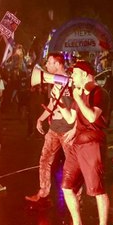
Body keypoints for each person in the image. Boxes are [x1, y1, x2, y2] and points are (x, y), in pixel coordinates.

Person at [58, 60, 110, 225]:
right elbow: (71, 119)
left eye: (75, 73)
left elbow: (92, 117)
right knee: (66, 186)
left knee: (97, 189)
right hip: (77, 145)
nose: (72, 77)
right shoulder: (79, 94)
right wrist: (60, 103)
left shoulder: (99, 93)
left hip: (92, 144)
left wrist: (78, 98)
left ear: (86, 75)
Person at [25, 54, 72, 205]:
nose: (47, 66)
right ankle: (43, 193)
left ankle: (76, 198)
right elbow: (53, 103)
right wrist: (41, 118)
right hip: (54, 128)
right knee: (45, 160)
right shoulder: (54, 82)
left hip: (68, 129)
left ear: (58, 64)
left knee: (72, 164)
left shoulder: (70, 81)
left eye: (50, 63)